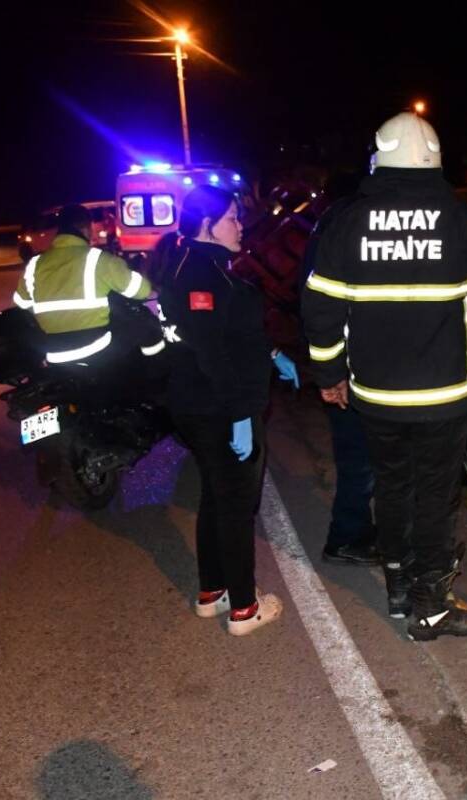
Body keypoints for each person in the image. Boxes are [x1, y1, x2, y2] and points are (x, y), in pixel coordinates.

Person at [302, 112, 467, 641]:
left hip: (375, 395)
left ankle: (400, 584)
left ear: (378, 160)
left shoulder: (347, 223)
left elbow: (320, 310)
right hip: (445, 397)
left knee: (394, 486)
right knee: (435, 494)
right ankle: (431, 607)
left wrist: (329, 373)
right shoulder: (463, 221)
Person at [150, 185, 300, 636]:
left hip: (197, 405)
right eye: (233, 217)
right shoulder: (203, 274)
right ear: (206, 225)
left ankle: (212, 591)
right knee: (236, 503)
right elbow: (211, 350)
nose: (241, 225)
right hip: (218, 406)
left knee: (217, 497)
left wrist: (272, 353)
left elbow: (230, 333)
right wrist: (239, 413)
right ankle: (244, 609)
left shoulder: (195, 265)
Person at [298, 172, 378, 567]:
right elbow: (329, 306)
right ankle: (346, 537)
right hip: (353, 364)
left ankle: (357, 531)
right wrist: (334, 372)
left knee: (358, 454)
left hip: (343, 361)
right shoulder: (350, 224)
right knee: (358, 456)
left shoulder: (328, 224)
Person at [12, 204, 162, 365]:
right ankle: (155, 374)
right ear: (86, 228)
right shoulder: (99, 259)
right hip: (94, 347)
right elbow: (143, 291)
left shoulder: (35, 264)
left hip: (53, 349)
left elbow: (21, 302)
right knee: (145, 323)